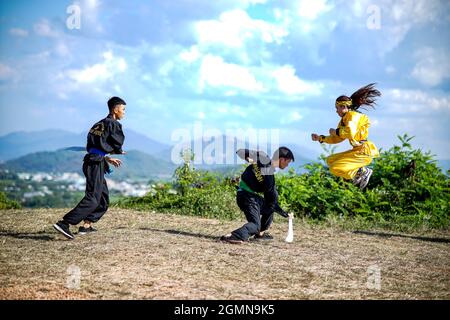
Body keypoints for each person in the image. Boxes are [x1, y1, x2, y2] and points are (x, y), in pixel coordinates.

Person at [53, 97, 126, 239]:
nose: (124, 113)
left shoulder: (98, 124)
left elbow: (93, 146)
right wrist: (117, 150)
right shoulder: (113, 124)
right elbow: (117, 142)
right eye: (123, 109)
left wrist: (107, 157)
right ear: (115, 109)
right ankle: (64, 223)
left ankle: (86, 225)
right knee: (93, 198)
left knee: (103, 199)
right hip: (95, 164)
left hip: (94, 160)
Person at [311, 83, 381, 189]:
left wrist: (335, 131)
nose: (336, 111)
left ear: (344, 107)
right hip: (357, 150)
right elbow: (337, 138)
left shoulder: (353, 116)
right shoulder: (344, 120)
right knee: (330, 160)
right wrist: (321, 138)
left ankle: (362, 171)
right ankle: (356, 175)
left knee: (334, 168)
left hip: (363, 152)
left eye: (337, 108)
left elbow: (349, 132)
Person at [220, 147, 294, 244]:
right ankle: (234, 236)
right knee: (255, 225)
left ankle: (260, 233)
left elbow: (272, 203)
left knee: (270, 208)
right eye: (287, 162)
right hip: (247, 197)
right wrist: (250, 158)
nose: (287, 165)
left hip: (246, 195)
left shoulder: (263, 159)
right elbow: (240, 152)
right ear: (282, 159)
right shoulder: (268, 175)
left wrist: (284, 213)